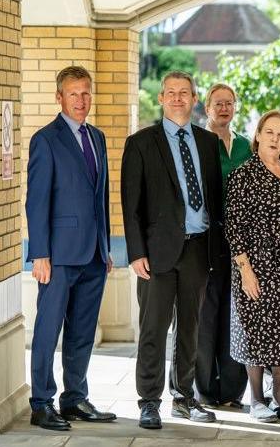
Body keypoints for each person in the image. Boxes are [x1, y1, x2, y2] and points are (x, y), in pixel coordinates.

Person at [121, 71, 223, 429]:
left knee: (190, 328)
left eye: (185, 93)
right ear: (162, 98)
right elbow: (130, 204)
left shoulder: (209, 143)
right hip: (157, 253)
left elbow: (216, 201)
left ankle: (183, 397)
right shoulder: (141, 143)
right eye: (171, 93)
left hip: (198, 249)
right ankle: (149, 400)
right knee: (153, 328)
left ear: (195, 99)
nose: (178, 98)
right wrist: (135, 252)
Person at [26, 65, 116, 430]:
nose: (81, 100)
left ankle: (75, 398)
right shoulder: (45, 139)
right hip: (58, 256)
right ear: (59, 97)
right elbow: (37, 201)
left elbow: (101, 198)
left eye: (86, 93)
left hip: (94, 254)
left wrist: (106, 247)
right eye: (74, 94)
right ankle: (41, 403)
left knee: (82, 331)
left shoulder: (97, 137)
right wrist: (40, 253)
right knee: (48, 331)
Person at [225, 110, 280, 424]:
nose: (275, 139)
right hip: (258, 266)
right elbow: (234, 227)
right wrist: (245, 270)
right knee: (258, 333)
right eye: (270, 133)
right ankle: (257, 400)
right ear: (258, 135)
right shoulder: (243, 174)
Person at [192, 83, 251, 409]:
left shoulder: (245, 145)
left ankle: (232, 391)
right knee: (207, 315)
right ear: (208, 107)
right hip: (208, 241)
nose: (224, 108)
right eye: (218, 103)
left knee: (237, 315)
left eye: (229, 103)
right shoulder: (199, 143)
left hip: (241, 242)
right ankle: (205, 389)